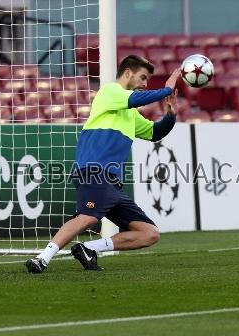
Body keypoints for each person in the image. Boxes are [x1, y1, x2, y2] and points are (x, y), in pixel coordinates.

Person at [26, 55, 180, 273]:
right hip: (93, 170)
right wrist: (166, 89)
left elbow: (155, 133)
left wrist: (171, 115)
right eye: (143, 77)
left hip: (111, 182)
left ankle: (88, 248)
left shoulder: (129, 113)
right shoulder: (110, 92)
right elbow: (138, 99)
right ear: (128, 73)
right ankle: (42, 258)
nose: (145, 84)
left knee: (149, 233)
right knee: (88, 217)